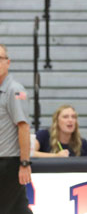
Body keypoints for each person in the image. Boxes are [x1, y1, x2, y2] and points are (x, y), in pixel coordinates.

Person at [0, 44, 32, 214]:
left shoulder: (14, 90)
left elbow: (24, 127)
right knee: (17, 208)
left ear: (8, 62)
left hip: (8, 162)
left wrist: (24, 162)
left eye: (0, 59)